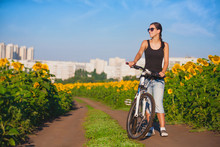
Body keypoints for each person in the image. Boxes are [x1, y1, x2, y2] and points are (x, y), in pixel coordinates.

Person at [128, 22, 169, 137]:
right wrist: (134, 62)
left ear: (158, 31)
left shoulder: (164, 45)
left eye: (152, 29)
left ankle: (162, 128)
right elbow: (140, 53)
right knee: (147, 104)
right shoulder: (145, 43)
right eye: (149, 29)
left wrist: (163, 72)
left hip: (158, 78)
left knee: (158, 103)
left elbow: (166, 62)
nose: (149, 31)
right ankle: (150, 128)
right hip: (146, 77)